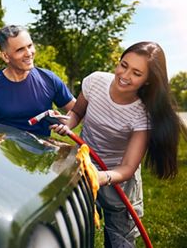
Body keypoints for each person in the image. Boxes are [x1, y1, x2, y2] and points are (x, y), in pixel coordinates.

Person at [51, 41, 187, 247]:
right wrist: (67, 123)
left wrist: (100, 177)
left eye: (136, 73)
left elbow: (128, 167)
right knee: (74, 234)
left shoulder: (143, 113)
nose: (124, 75)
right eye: (124, 65)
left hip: (119, 180)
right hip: (84, 167)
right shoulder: (95, 82)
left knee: (120, 241)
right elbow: (77, 112)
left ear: (148, 80)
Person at [0, 25, 75, 137]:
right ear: (5, 56)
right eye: (20, 49)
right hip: (5, 153)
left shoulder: (49, 79)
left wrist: (66, 125)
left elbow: (77, 112)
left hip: (41, 152)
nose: (28, 53)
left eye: (30, 46)